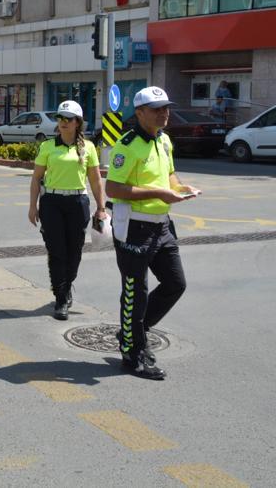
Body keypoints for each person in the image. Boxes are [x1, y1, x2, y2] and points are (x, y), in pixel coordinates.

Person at [106, 86, 199, 380]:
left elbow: (169, 175)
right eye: (157, 109)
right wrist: (159, 192)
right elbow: (113, 188)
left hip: (162, 225)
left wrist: (179, 187)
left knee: (175, 283)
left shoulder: (164, 140)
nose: (164, 114)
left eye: (166, 108)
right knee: (136, 293)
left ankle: (135, 331)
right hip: (135, 227)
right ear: (140, 113)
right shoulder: (126, 145)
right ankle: (133, 355)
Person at [27, 100, 107, 320]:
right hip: (51, 202)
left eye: (68, 119)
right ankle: (61, 297)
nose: (63, 122)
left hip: (78, 202)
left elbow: (95, 180)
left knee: (75, 251)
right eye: (60, 118)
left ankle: (67, 284)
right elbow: (36, 178)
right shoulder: (47, 146)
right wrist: (32, 206)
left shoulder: (88, 147)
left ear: (77, 122)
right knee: (56, 251)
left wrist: (101, 207)